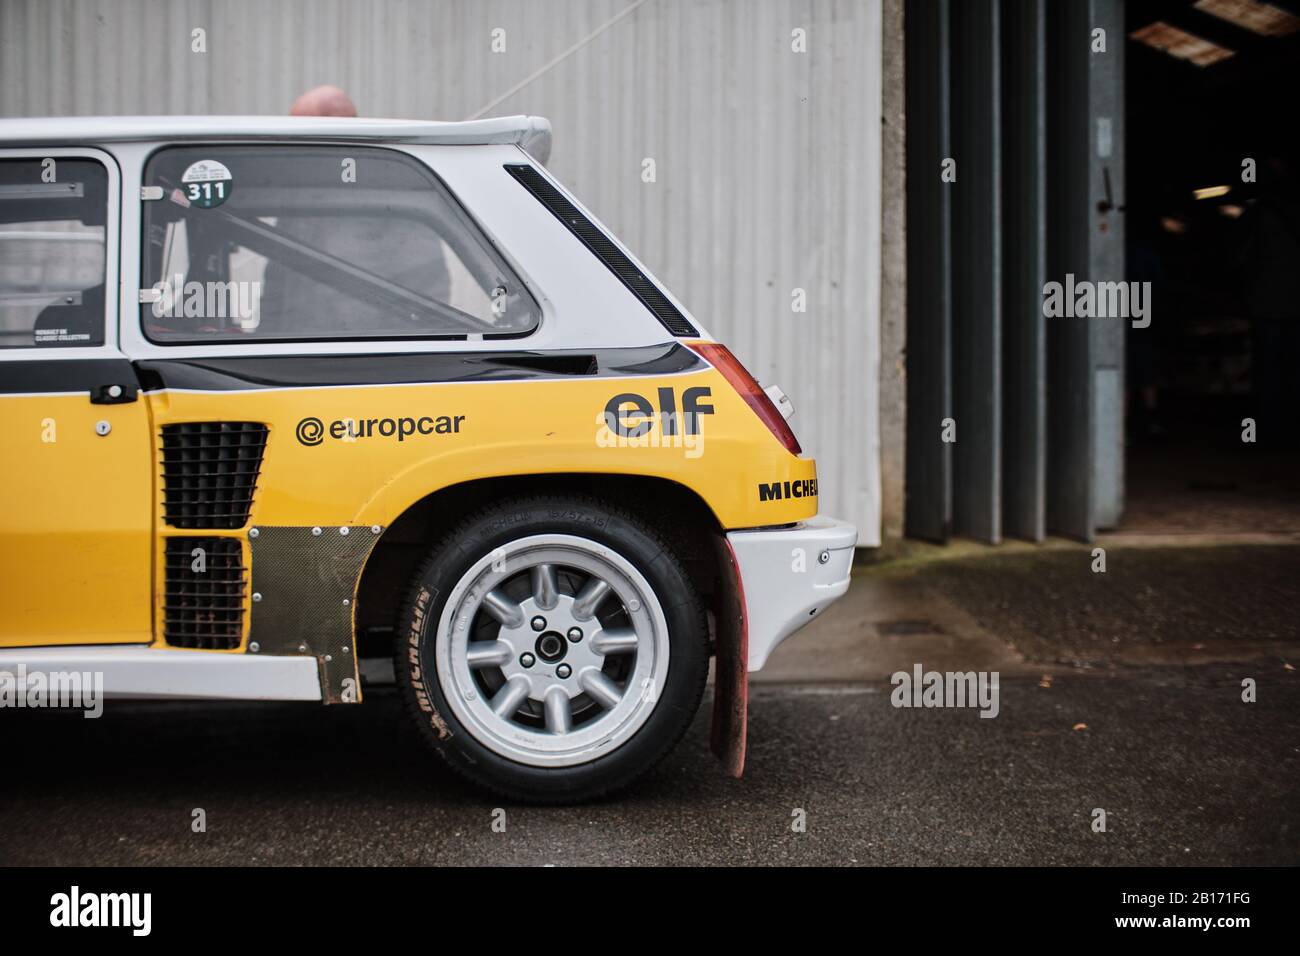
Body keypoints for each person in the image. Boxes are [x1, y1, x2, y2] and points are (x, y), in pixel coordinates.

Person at [255, 85, 452, 338]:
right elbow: (276, 287)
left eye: (302, 134)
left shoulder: (391, 197)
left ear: (338, 130)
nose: (294, 144)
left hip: (368, 361)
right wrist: (264, 341)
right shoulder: (300, 201)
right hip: (293, 358)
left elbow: (429, 292)